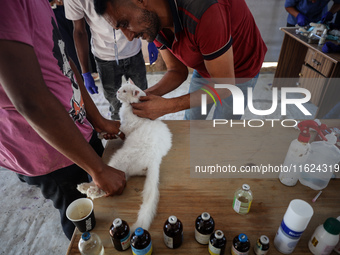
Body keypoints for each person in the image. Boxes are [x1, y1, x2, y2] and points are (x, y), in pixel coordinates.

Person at [0, 0, 126, 240]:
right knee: (81, 218)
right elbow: (30, 100)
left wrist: (97, 119)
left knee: (107, 200)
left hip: (78, 127)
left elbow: (63, 60)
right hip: (48, 150)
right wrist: (97, 168)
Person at [93, 0, 267, 120]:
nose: (129, 37)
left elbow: (225, 85)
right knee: (191, 122)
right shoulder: (151, 20)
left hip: (240, 71)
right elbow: (177, 71)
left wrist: (168, 106)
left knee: (221, 129)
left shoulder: (204, 10)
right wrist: (145, 96)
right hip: (207, 64)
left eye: (124, 23)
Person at [64, 0, 157, 120]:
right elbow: (79, 32)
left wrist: (152, 39)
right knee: (115, 104)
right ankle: (120, 132)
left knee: (141, 97)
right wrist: (85, 72)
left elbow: (146, 8)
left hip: (133, 49)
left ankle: (144, 130)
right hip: (104, 55)